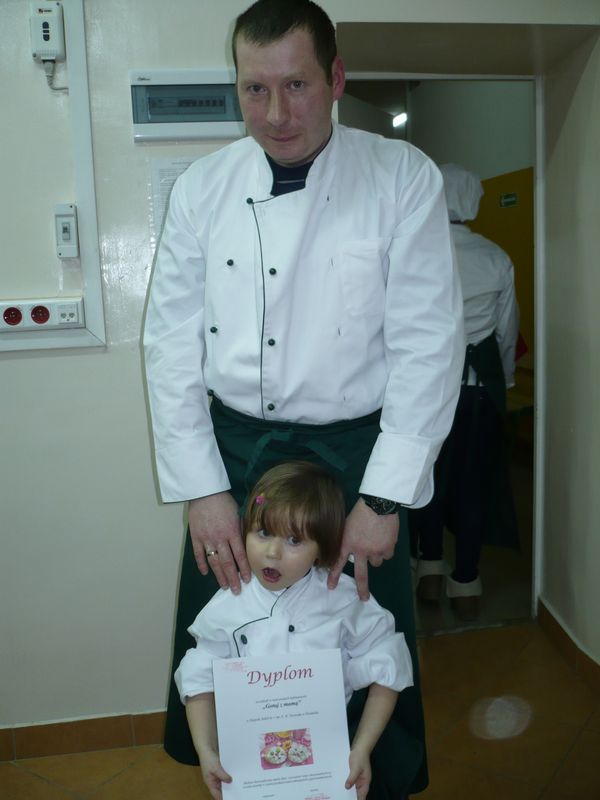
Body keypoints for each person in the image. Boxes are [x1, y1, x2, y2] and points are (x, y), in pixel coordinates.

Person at [143, 1, 464, 795]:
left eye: (296, 85)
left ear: (336, 78)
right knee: (231, 645)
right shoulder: (203, 188)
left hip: (357, 460)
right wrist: (203, 491)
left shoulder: (401, 178)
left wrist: (383, 499)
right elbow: (170, 345)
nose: (276, 114)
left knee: (361, 642)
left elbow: (428, 344)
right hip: (235, 458)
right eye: (255, 89)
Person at [176, 461, 414, 800]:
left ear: (323, 548)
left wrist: (361, 749)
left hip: (329, 760)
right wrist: (206, 750)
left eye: (294, 540)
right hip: (250, 766)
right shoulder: (229, 603)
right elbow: (199, 679)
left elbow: (387, 666)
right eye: (263, 533)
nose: (272, 553)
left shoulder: (343, 600)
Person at [409, 163, 520, 621]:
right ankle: (467, 583)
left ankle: (430, 569)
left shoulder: (418, 255)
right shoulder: (496, 258)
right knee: (474, 486)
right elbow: (506, 332)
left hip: (427, 393)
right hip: (477, 394)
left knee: (429, 482)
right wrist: (503, 381)